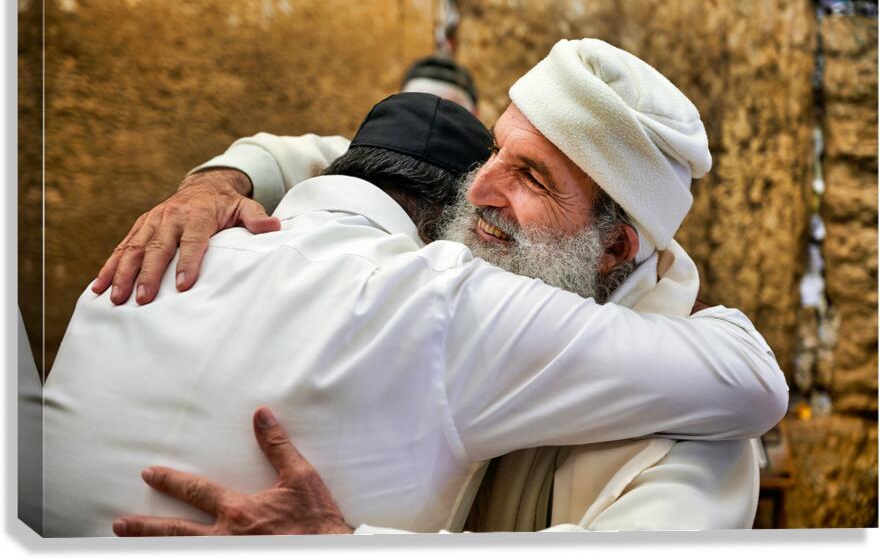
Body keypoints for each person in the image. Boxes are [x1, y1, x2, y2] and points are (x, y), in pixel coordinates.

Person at [88, 40, 785, 535]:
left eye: (532, 177)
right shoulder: (497, 266)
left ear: (613, 247)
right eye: (494, 152)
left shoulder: (696, 426)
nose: (476, 189)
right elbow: (351, 158)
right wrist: (217, 182)